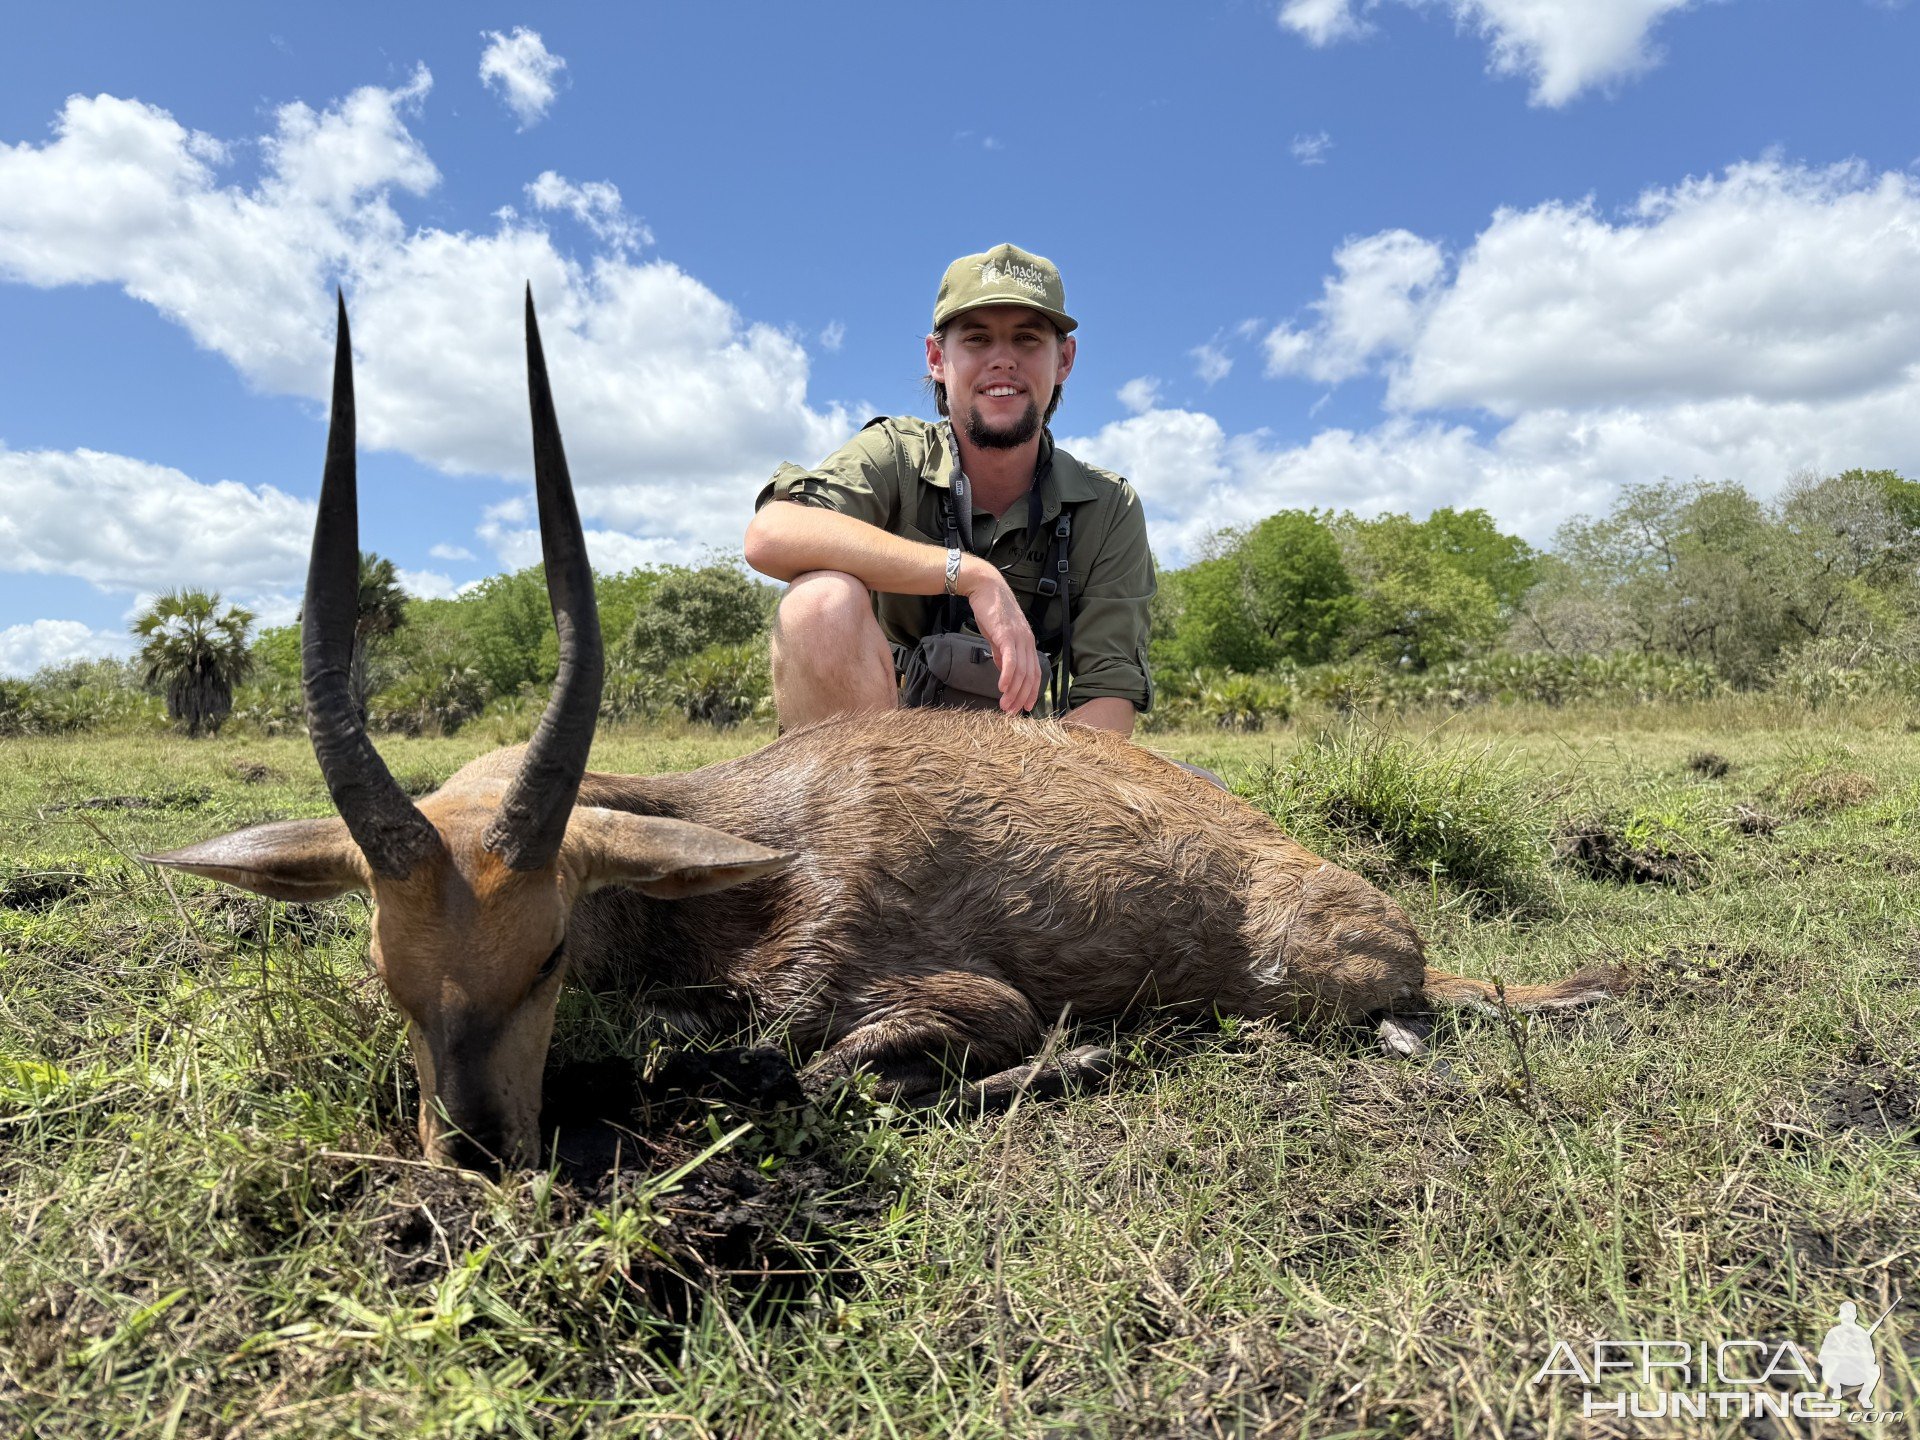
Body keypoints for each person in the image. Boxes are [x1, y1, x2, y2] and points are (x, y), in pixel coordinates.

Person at [745, 243, 1155, 735]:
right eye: (977, 339)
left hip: (1026, 762)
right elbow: (771, 533)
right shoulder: (894, 454)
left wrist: (1026, 793)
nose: (1003, 360)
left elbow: (1110, 699)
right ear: (937, 357)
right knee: (820, 602)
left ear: (1064, 359)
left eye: (1027, 339)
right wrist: (970, 575)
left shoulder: (1109, 507)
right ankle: (858, 812)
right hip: (873, 751)